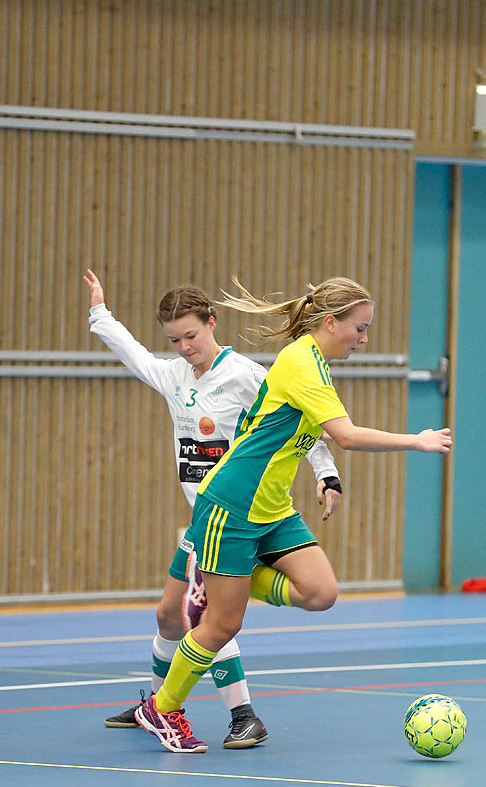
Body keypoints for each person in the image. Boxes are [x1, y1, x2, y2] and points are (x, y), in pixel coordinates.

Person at [135, 276, 452, 753]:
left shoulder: (316, 364)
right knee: (222, 625)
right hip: (233, 505)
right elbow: (343, 434)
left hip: (273, 508)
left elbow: (317, 440)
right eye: (360, 328)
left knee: (320, 592)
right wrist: (417, 440)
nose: (364, 339)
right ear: (331, 322)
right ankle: (162, 708)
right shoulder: (301, 362)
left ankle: (222, 576)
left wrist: (326, 476)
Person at [83, 270, 344, 748]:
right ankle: (159, 700)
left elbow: (304, 423)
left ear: (213, 323)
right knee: (169, 614)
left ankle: (241, 713)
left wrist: (325, 473)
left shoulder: (245, 375)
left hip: (240, 514)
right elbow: (135, 354)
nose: (184, 347)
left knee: (211, 615)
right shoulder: (174, 375)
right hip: (205, 520)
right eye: (175, 339)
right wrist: (101, 313)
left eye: (191, 335)